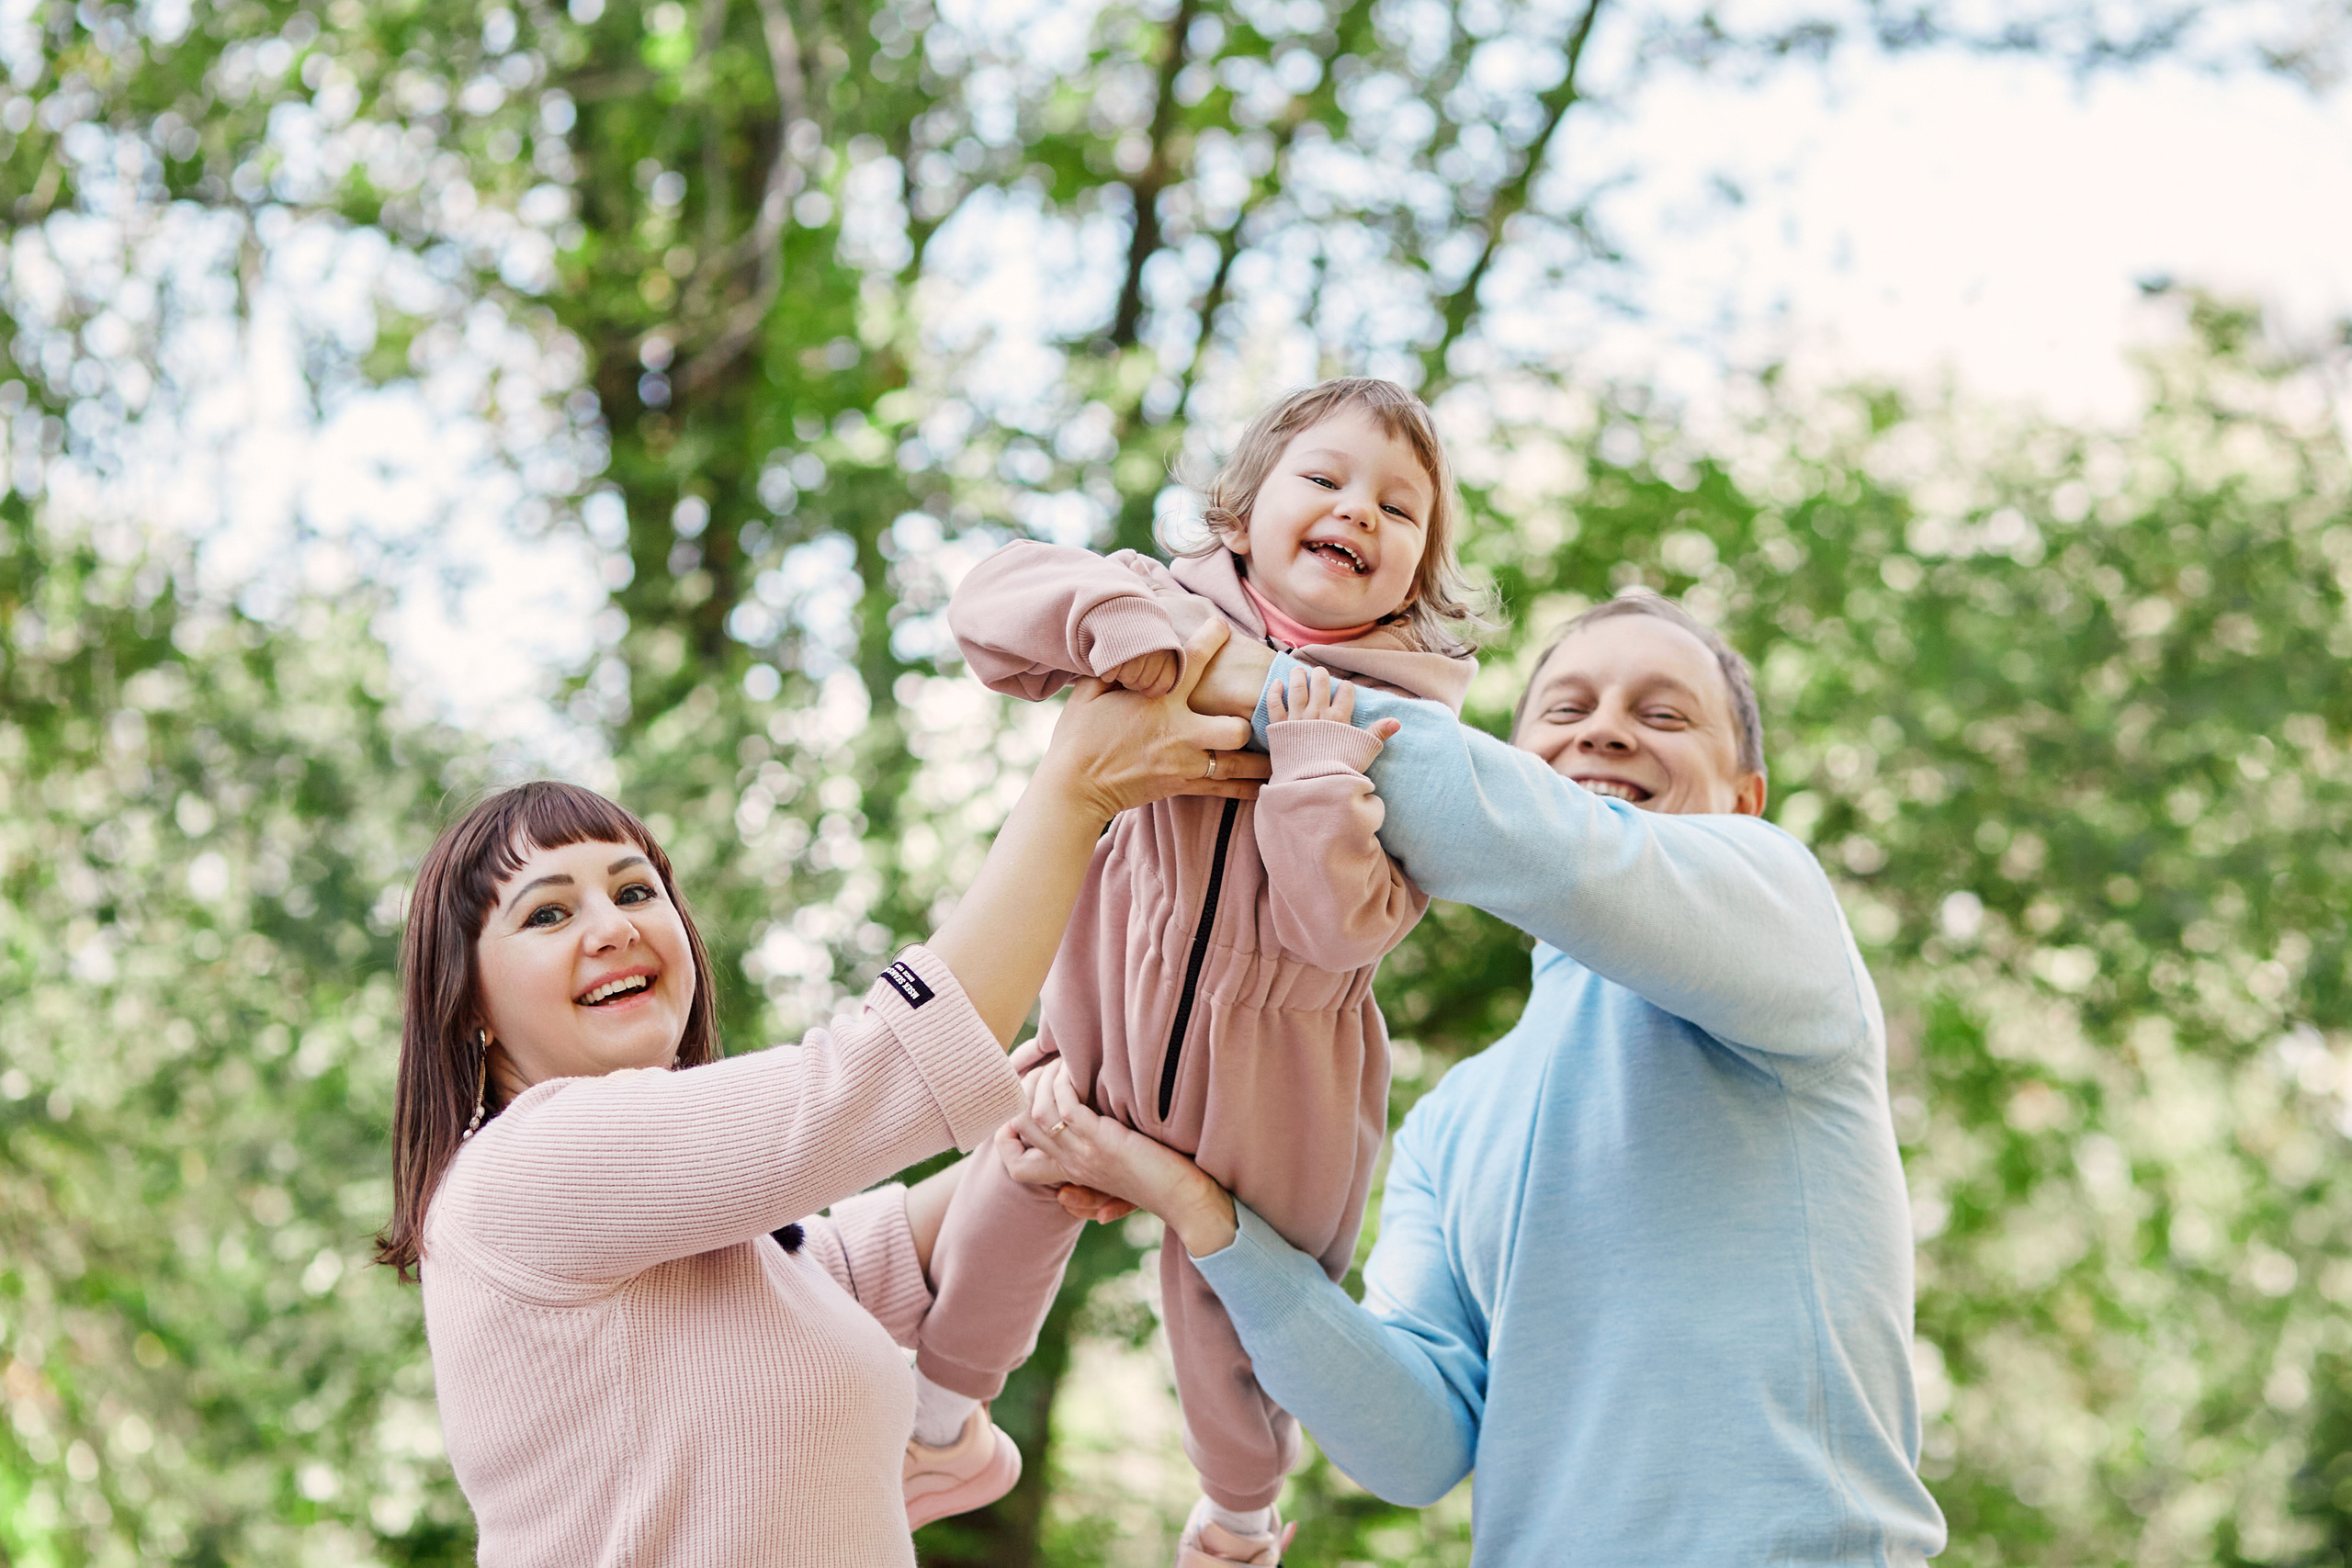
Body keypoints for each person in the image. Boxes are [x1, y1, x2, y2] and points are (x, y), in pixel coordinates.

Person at [1010, 591, 1950, 1566]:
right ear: (1517, 756)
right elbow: (1416, 1448)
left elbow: (1519, 833)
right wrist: (1201, 1213)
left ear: (1744, 796)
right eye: (1565, 711)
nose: (1606, 734)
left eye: (1662, 715)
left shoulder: (1785, 919)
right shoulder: (1449, 1122)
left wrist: (1202, 664)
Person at [370, 620, 1265, 1568]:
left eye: (636, 892)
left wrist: (1058, 1129)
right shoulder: (526, 1169)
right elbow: (869, 1083)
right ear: (467, 1005)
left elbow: (866, 1258)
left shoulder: (723, 1245)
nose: (612, 927)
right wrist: (1073, 789)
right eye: (548, 912)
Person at [908, 378, 1487, 1563]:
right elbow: (990, 603)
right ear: (1240, 514)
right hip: (1107, 1021)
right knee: (1014, 1173)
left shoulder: (1414, 734)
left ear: (1420, 576)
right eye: (1324, 479)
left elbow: (1345, 933)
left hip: (1282, 1075)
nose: (1358, 512)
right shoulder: (1169, 604)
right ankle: (938, 1419)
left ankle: (1237, 1517)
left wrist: (1320, 772)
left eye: (1398, 507)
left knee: (1239, 1301)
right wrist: (1126, 627)